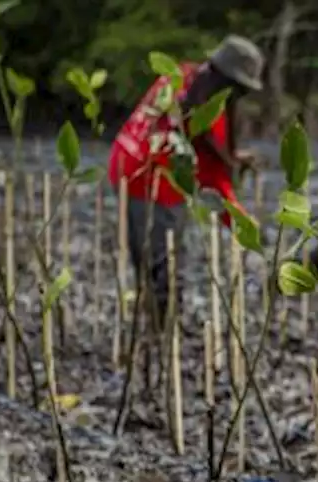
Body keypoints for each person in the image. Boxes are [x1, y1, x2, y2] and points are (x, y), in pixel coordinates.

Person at [108, 35, 263, 324]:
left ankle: (155, 323)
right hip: (154, 180)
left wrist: (231, 156)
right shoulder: (207, 112)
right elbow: (212, 174)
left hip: (123, 161)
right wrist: (240, 222)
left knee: (149, 260)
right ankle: (162, 330)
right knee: (162, 265)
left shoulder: (180, 74)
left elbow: (203, 149)